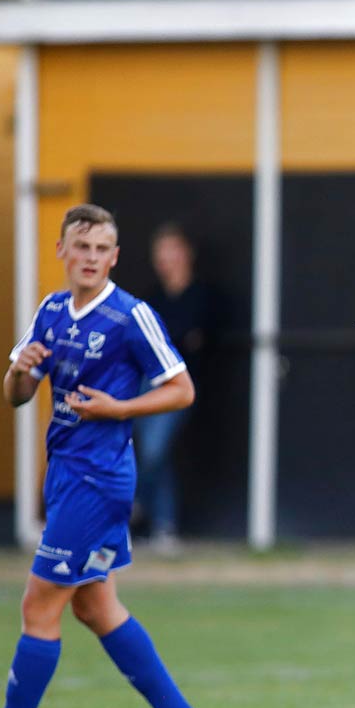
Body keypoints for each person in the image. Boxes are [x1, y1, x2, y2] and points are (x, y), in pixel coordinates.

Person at [0, 204, 216, 708]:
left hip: (99, 479)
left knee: (39, 605)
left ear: (114, 257)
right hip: (66, 473)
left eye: (101, 249)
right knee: (94, 605)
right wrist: (22, 370)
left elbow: (183, 389)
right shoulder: (50, 312)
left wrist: (122, 408)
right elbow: (16, 392)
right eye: (80, 247)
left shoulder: (130, 316)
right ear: (62, 252)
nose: (90, 258)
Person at [132, 223, 213, 553]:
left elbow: (193, 340)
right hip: (146, 383)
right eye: (161, 254)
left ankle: (136, 502)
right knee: (147, 450)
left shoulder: (201, 296)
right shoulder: (152, 299)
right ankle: (164, 524)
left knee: (154, 449)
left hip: (178, 386)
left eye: (172, 251)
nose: (166, 260)